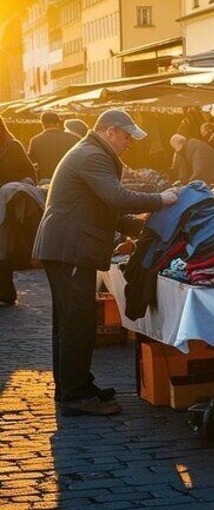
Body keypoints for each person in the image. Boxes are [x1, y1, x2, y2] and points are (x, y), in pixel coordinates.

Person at [32, 109, 178, 416]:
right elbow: (117, 197)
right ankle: (74, 395)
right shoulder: (92, 156)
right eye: (126, 137)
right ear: (109, 131)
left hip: (66, 247)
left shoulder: (91, 152)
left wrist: (146, 228)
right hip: (69, 248)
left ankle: (75, 386)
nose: (128, 144)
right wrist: (161, 199)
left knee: (71, 322)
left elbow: (109, 210)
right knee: (77, 322)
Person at [0, 116, 37, 305]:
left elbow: (30, 172)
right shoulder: (12, 145)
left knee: (4, 249)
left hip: (9, 206)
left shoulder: (13, 147)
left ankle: (6, 291)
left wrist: (22, 184)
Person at [27, 111, 81, 179]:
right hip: (68, 179)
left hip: (45, 180)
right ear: (58, 123)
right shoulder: (73, 138)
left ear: (42, 123)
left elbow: (29, 163)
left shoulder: (35, 141)